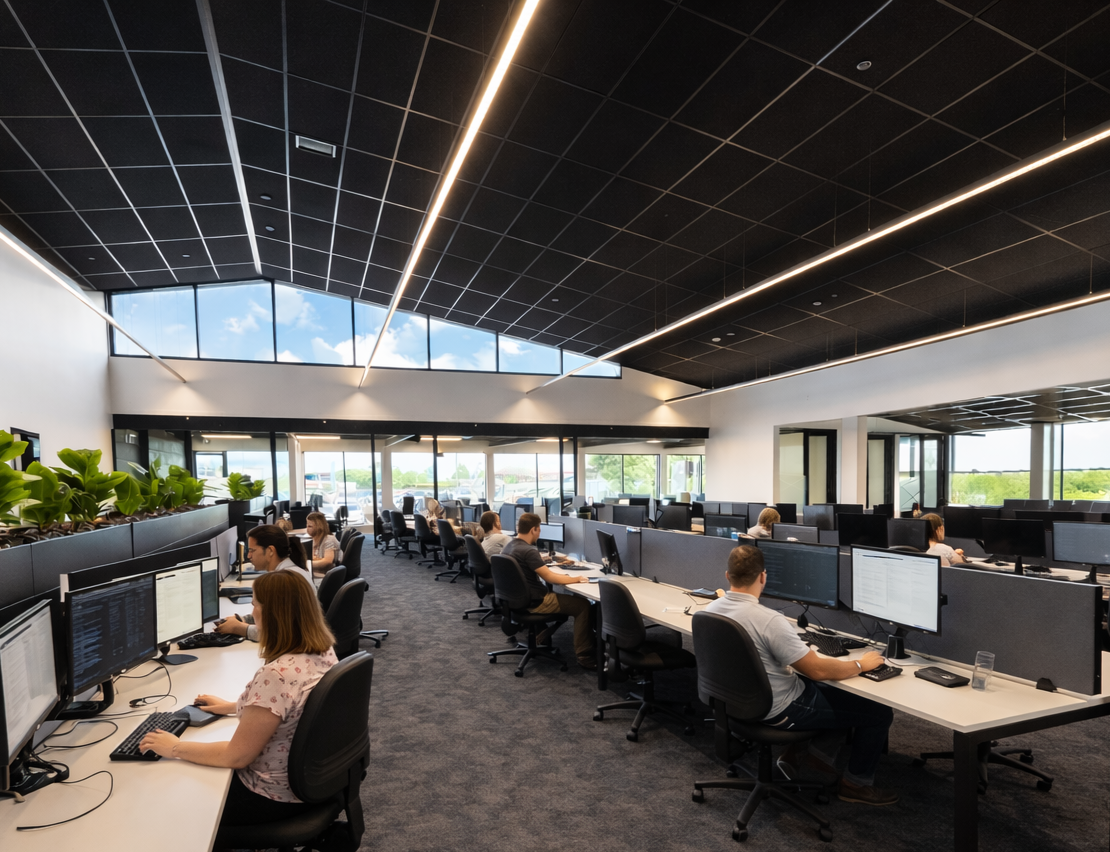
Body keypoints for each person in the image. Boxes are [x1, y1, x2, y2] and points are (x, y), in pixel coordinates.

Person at [140, 570, 338, 829]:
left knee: (168, 793)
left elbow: (236, 756)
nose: (252, 610)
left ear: (270, 613)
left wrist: (175, 747)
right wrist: (234, 706)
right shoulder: (323, 649)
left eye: (255, 604)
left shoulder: (276, 675)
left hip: (273, 796)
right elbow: (296, 704)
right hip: (314, 781)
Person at [706, 545, 897, 805]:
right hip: (780, 710)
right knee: (878, 711)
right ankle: (855, 784)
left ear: (727, 576)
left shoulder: (708, 611)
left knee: (835, 692)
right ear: (763, 576)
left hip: (732, 703)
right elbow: (817, 670)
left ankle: (809, 756)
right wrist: (861, 664)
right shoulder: (769, 621)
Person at [501, 512, 596, 670]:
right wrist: (576, 578)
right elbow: (550, 578)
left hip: (515, 600)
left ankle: (542, 636)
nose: (539, 533)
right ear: (534, 529)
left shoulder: (509, 546)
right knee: (583, 605)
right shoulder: (529, 551)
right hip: (537, 601)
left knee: (572, 601)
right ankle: (584, 655)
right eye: (539, 529)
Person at [216, 525, 312, 641]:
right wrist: (242, 619)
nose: (248, 556)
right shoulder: (291, 571)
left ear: (270, 551)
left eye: (252, 550)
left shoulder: (285, 581)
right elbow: (272, 616)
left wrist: (238, 628)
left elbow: (276, 633)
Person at [306, 510, 340, 575]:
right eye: (307, 525)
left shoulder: (329, 539)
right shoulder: (315, 539)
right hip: (320, 572)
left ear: (319, 527)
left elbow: (327, 562)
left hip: (328, 574)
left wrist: (306, 564)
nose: (307, 529)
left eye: (310, 526)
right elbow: (313, 558)